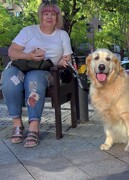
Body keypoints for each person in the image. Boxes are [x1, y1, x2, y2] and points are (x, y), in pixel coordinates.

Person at [1, 2, 73, 148]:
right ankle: (17, 124)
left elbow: (67, 57)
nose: (49, 17)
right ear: (40, 16)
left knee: (33, 80)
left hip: (45, 71)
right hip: (21, 67)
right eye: (46, 14)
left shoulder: (62, 35)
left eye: (53, 14)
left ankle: (34, 126)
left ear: (57, 17)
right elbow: (12, 52)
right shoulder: (28, 30)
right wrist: (29, 56)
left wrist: (62, 62)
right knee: (10, 80)